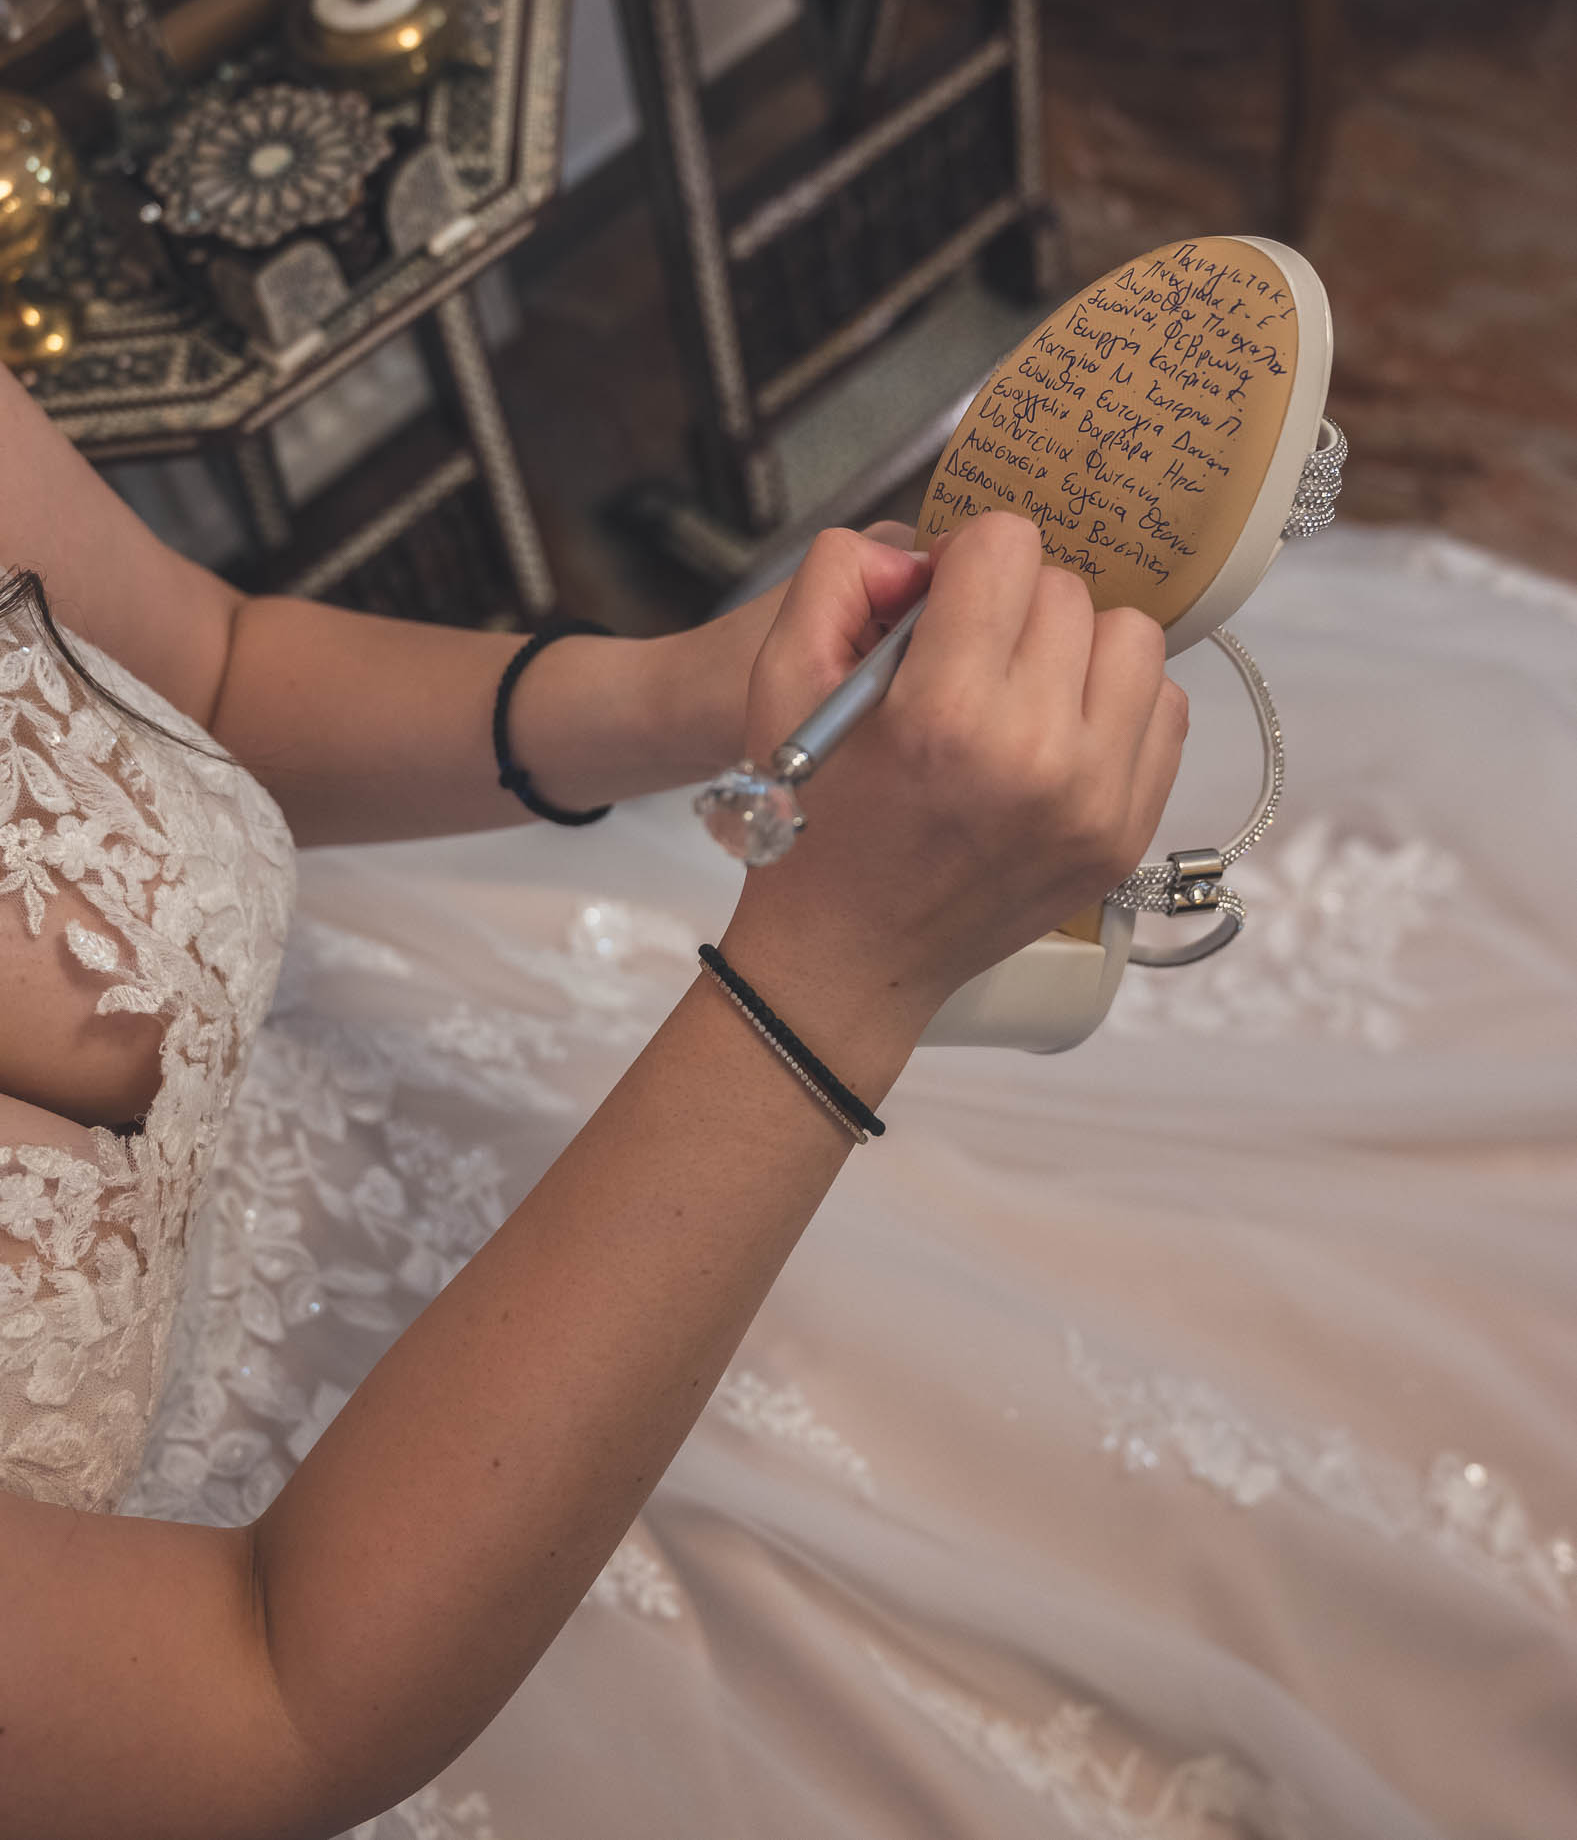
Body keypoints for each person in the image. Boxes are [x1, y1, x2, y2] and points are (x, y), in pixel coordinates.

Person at [0, 348, 1184, 1839]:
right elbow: (261, 1698)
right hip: (378, 1607)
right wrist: (838, 971)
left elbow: (213, 663)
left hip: (401, 1123)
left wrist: (691, 686)